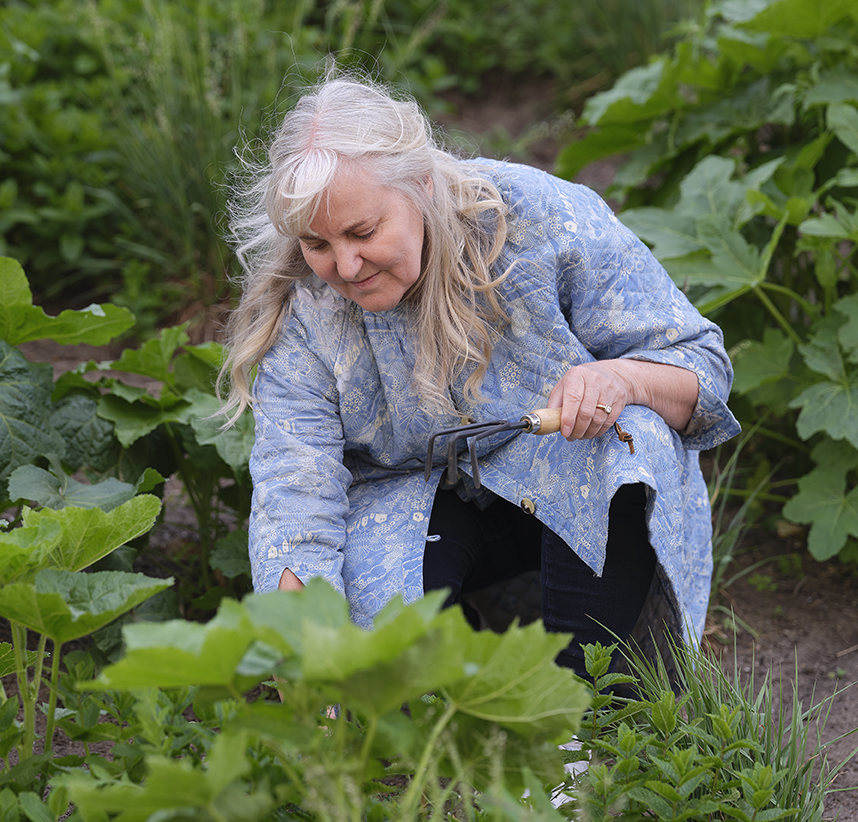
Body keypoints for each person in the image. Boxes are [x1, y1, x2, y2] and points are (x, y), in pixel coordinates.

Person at [220, 75, 741, 678]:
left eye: (363, 232)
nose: (345, 265)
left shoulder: (535, 218)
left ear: (419, 185)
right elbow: (296, 491)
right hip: (416, 512)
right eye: (316, 243)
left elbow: (701, 367)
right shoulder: (302, 307)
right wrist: (304, 666)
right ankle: (458, 682)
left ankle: (578, 719)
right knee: (382, 663)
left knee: (631, 434)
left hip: (567, 484)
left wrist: (623, 379)